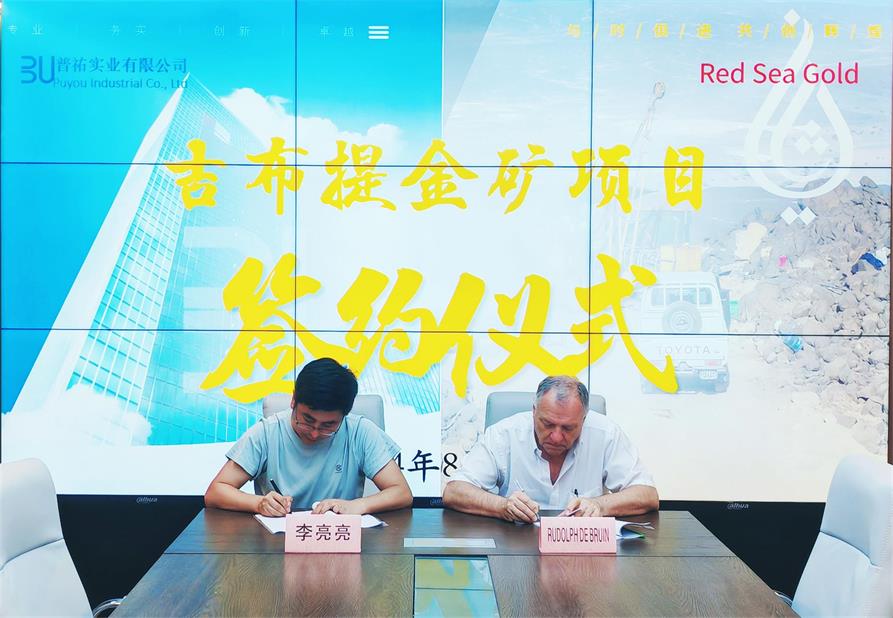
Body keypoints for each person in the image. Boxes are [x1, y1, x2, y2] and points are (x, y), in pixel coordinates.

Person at [205, 358, 412, 517]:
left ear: (345, 415)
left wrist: (358, 505)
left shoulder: (360, 431)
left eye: (328, 426)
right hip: (277, 545)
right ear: (294, 400)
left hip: (340, 542)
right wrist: (259, 504)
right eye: (307, 420)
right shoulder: (267, 432)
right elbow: (216, 492)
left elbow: (401, 493)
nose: (314, 433)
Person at [443, 375, 658, 523]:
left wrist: (599, 506)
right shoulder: (505, 434)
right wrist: (503, 506)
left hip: (583, 552)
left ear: (584, 420)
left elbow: (647, 495)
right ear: (534, 411)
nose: (556, 436)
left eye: (568, 428)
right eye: (547, 424)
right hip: (516, 548)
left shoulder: (605, 434)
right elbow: (455, 491)